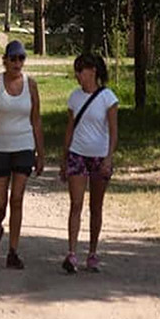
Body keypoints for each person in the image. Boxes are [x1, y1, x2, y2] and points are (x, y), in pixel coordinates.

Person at [0, 40, 45, 269]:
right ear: (5, 60)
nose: (17, 63)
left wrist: (41, 153)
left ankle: (13, 251)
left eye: (21, 59)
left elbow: (36, 120)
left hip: (24, 145)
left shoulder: (31, 85)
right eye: (13, 58)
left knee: (17, 199)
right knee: (0, 203)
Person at [60, 53, 118, 274]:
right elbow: (69, 129)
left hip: (99, 157)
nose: (77, 75)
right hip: (77, 154)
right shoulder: (74, 98)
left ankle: (92, 252)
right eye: (76, 71)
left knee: (96, 206)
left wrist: (109, 158)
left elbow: (113, 132)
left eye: (81, 70)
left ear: (93, 71)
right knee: (76, 204)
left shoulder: (108, 98)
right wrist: (64, 159)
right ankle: (72, 252)